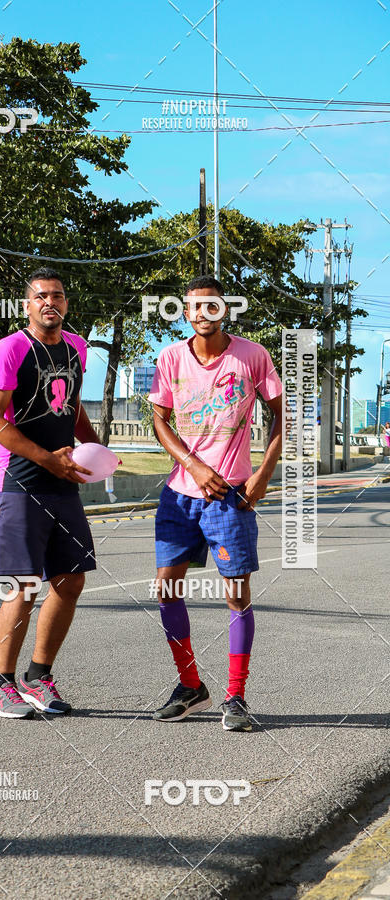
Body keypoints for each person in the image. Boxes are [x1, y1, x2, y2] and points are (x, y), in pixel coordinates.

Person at [148, 275, 283, 731]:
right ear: (185, 312)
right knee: (166, 588)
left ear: (225, 310)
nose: (202, 314)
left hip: (231, 497)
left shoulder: (252, 355)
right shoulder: (169, 358)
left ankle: (236, 697)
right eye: (194, 307)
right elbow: (160, 420)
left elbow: (282, 414)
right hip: (180, 494)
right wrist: (194, 465)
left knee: (236, 594)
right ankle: (190, 686)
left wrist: (263, 474)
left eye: (212, 306)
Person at [0, 267, 100, 719]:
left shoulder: (77, 348)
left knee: (71, 581)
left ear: (66, 304)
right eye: (41, 296)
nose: (51, 302)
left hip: (62, 481)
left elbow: (71, 406)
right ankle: (0, 685)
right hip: (19, 482)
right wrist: (46, 457)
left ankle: (38, 676)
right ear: (27, 305)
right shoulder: (10, 348)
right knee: (23, 585)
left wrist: (94, 451)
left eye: (58, 296)